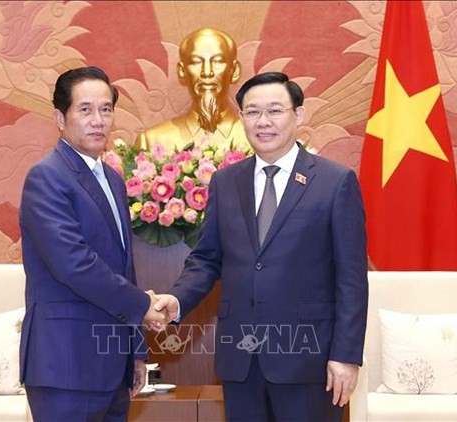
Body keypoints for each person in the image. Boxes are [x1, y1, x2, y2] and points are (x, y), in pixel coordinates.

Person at [152, 72, 368, 421]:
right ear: (242, 119)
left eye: (275, 111)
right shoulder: (226, 182)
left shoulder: (334, 182)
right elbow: (207, 260)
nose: (263, 122)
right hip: (241, 359)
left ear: (298, 115)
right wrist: (177, 300)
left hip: (308, 360)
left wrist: (345, 356)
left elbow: (352, 278)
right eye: (252, 112)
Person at [19, 66, 166, 421]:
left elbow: (124, 268)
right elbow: (75, 264)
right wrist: (142, 306)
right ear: (60, 117)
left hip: (112, 367)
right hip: (66, 365)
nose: (98, 120)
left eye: (106, 109)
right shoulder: (47, 177)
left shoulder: (113, 179)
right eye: (85, 110)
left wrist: (137, 352)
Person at [136, 27, 250, 152]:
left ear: (234, 71)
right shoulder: (152, 141)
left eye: (217, 61)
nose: (207, 72)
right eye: (196, 62)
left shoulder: (257, 141)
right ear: (182, 71)